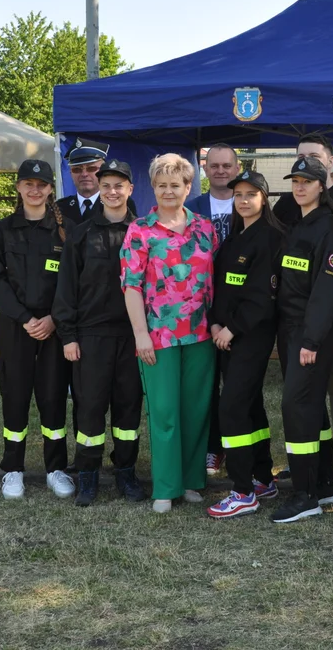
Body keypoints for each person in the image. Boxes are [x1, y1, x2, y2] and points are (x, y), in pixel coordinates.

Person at [121, 154, 218, 513]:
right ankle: (165, 486)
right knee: (164, 412)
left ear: (188, 187)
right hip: (158, 337)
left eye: (175, 185)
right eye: (161, 185)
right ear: (153, 188)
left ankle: (192, 481)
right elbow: (131, 286)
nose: (168, 191)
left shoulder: (205, 229)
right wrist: (140, 335)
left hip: (201, 335)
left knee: (195, 410)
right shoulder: (140, 230)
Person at [52, 159, 147, 507]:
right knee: (90, 409)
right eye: (105, 185)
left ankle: (126, 473)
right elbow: (66, 288)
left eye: (118, 185)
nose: (111, 191)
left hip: (132, 336)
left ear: (130, 190)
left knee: (128, 411)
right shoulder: (80, 234)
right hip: (90, 336)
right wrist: (68, 335)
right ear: (99, 188)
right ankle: (88, 477)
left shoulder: (142, 233)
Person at [0, 160, 75, 500]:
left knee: (53, 397)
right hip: (16, 325)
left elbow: (72, 282)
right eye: (28, 183)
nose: (35, 190)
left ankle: (56, 469)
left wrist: (54, 318)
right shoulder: (3, 229)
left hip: (55, 326)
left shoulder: (65, 230)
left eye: (41, 184)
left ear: (51, 189)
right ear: (19, 188)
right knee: (15, 396)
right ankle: (13, 469)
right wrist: (25, 318)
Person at [273, 133, 333, 485]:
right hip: (290, 328)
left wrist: (311, 339)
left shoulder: (328, 227)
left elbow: (324, 289)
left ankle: (307, 490)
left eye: (307, 181)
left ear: (323, 184)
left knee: (297, 405)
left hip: (311, 334)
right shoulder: (297, 222)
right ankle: (322, 480)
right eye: (295, 181)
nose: (300, 187)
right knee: (306, 406)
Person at [206, 170, 287, 518]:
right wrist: (214, 323)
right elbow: (224, 286)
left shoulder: (270, 237)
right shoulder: (236, 235)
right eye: (238, 194)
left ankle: (241, 491)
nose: (243, 200)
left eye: (250, 194)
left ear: (264, 198)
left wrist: (231, 329)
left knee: (232, 409)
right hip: (225, 336)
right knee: (251, 406)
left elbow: (261, 296)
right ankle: (261, 478)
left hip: (249, 337)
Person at [185, 143, 242, 477]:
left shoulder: (251, 202)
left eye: (227, 165)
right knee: (205, 385)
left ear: (236, 168)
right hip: (200, 311)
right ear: (205, 169)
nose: (221, 171)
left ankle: (237, 447)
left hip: (237, 313)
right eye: (214, 165)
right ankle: (210, 448)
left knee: (236, 384)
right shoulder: (191, 208)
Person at [58, 138, 137, 223]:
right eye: (77, 170)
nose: (84, 174)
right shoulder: (60, 206)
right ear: (70, 173)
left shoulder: (118, 201)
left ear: (102, 171)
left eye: (91, 168)